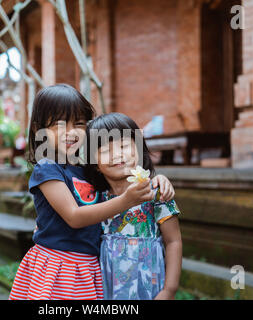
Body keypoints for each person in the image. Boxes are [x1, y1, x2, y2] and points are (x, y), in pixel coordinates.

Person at [9, 84, 175, 300]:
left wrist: (157, 181)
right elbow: (74, 217)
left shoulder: (88, 170)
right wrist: (127, 200)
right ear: (39, 130)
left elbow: (122, 179)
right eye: (59, 124)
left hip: (90, 267)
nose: (71, 132)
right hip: (59, 266)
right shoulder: (47, 167)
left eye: (78, 123)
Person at [85, 112, 183, 300]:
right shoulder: (95, 200)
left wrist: (169, 290)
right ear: (94, 163)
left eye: (123, 146)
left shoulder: (156, 194)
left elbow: (173, 241)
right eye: (105, 150)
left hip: (149, 286)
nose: (117, 154)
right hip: (107, 288)